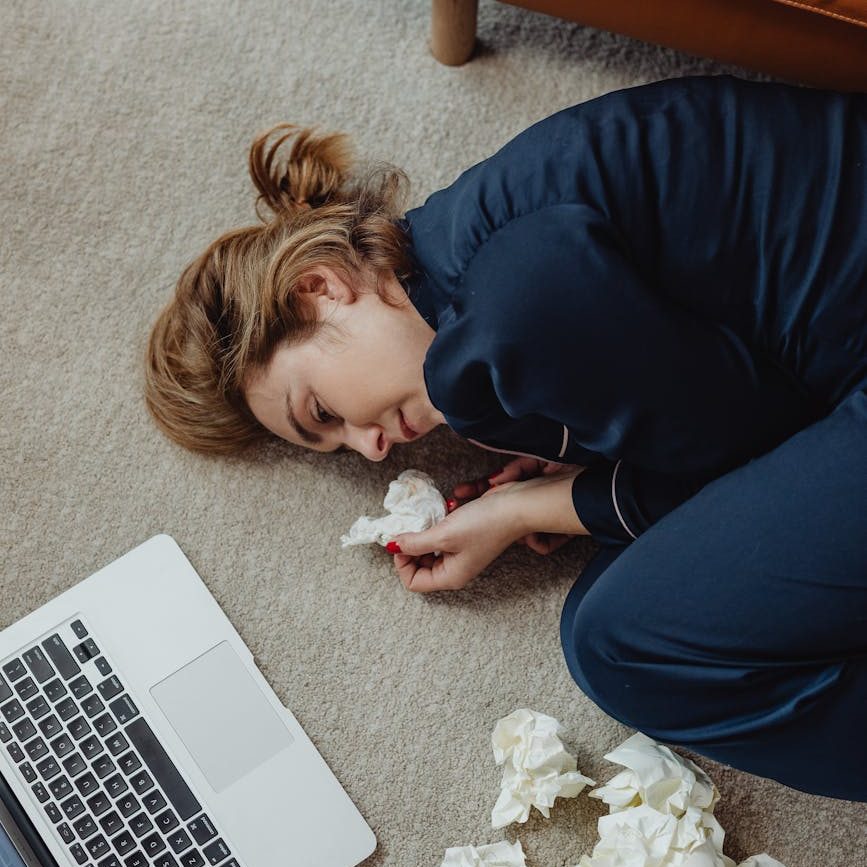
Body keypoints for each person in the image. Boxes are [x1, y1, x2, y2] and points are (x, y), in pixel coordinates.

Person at [145, 74, 867, 802]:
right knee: (604, 600)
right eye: (336, 446)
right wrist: (571, 448)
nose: (367, 447)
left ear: (319, 288)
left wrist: (529, 509)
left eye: (323, 413)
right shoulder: (465, 246)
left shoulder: (498, 323)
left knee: (625, 644)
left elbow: (753, 445)